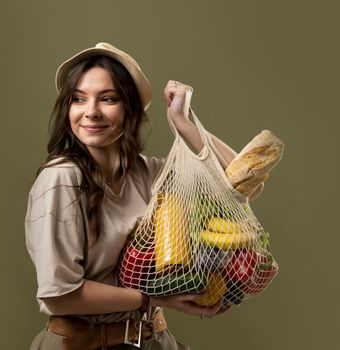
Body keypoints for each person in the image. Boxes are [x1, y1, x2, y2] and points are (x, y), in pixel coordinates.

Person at [25, 42, 264, 350]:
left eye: (108, 99)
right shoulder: (61, 179)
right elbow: (59, 296)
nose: (91, 112)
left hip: (153, 341)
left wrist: (185, 122)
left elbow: (245, 186)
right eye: (78, 99)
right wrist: (153, 299)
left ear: (130, 110)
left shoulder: (150, 174)